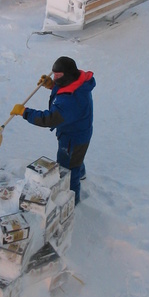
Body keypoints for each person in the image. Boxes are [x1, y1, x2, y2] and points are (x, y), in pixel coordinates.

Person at [10, 56, 95, 205]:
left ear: (68, 74)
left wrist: (25, 112)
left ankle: (72, 201)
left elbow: (49, 119)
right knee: (76, 157)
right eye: (53, 74)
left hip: (72, 138)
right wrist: (52, 86)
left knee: (68, 168)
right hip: (79, 132)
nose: (54, 78)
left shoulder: (70, 100)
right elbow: (64, 88)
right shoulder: (78, 82)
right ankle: (80, 172)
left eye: (58, 76)